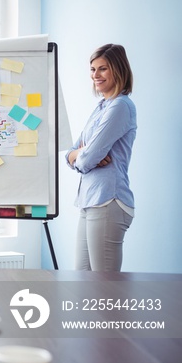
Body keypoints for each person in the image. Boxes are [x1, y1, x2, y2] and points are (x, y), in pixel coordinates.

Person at [66, 44, 136, 272]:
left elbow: (86, 160)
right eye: (93, 69)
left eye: (103, 69)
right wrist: (80, 154)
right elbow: (72, 153)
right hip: (89, 200)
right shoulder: (101, 107)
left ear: (118, 70)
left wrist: (85, 156)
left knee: (105, 288)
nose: (95, 75)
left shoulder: (121, 106)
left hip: (108, 200)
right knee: (83, 280)